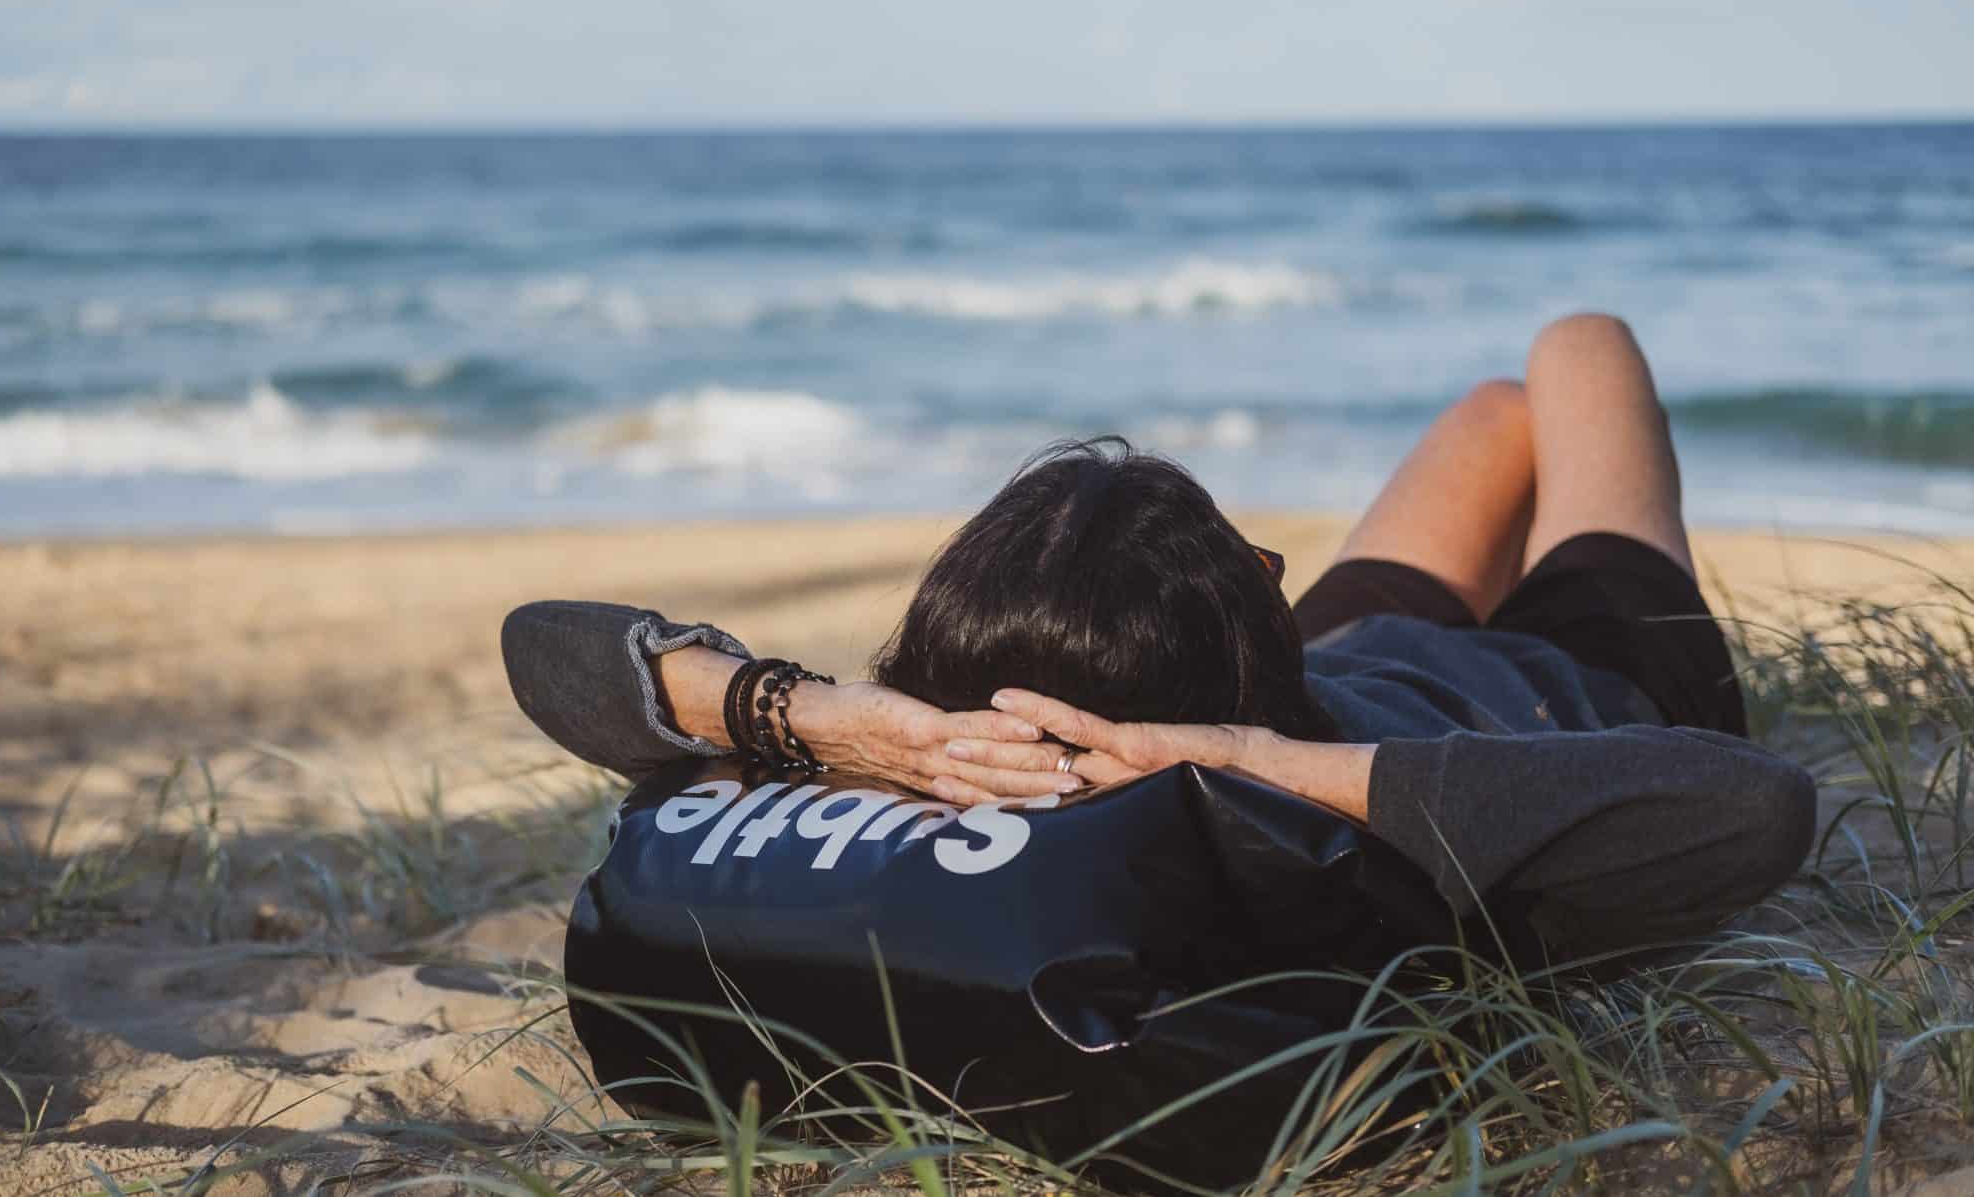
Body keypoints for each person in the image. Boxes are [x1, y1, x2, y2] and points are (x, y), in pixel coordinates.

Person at [504, 314, 1817, 958]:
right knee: (1579, 348)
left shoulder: (942, 761)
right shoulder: (1314, 820)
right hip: (1565, 673)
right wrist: (1257, 757)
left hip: (1330, 665)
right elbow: (1758, 806)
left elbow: (543, 646)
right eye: (1252, 572)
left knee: (1493, 413)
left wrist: (827, 717)